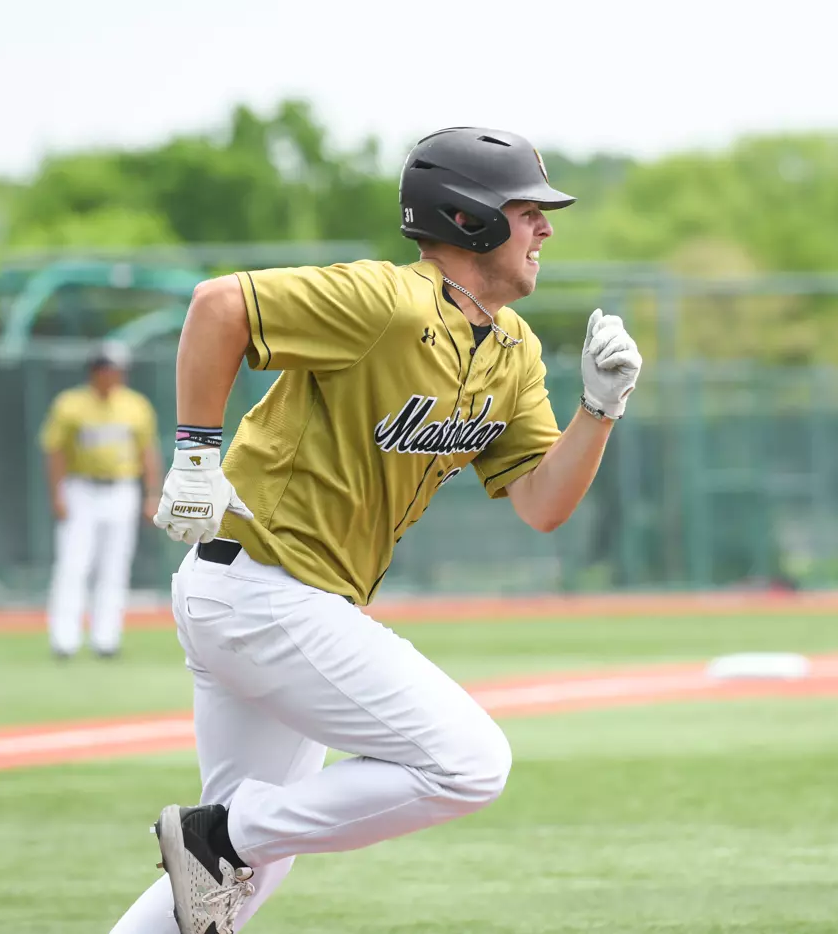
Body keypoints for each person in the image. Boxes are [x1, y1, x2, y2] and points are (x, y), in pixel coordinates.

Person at [108, 127, 643, 934]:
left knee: (233, 879)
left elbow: (541, 503)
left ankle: (223, 840)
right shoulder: (385, 301)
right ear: (470, 220)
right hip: (260, 589)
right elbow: (217, 305)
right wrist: (194, 453)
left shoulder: (512, 350)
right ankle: (223, 831)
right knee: (469, 762)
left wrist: (599, 411)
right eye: (529, 211)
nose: (546, 229)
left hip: (273, 601)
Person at [38, 339, 162, 660]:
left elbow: (148, 452)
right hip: (81, 488)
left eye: (119, 369)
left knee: (115, 566)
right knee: (73, 564)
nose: (115, 375)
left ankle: (106, 639)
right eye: (109, 368)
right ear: (95, 370)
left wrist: (151, 494)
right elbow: (55, 451)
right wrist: (57, 494)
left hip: (122, 488)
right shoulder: (71, 404)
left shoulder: (135, 405)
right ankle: (64, 640)